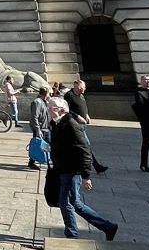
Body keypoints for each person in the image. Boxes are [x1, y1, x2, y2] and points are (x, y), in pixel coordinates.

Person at [48, 95, 118, 241]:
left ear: (60, 110)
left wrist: (86, 176)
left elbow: (85, 151)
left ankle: (72, 234)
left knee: (65, 203)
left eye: (50, 108)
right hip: (63, 168)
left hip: (71, 171)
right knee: (76, 204)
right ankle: (108, 226)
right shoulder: (57, 123)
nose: (48, 111)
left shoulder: (71, 125)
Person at [65, 80, 108, 173]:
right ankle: (94, 166)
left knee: (81, 146)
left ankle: (94, 166)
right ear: (78, 86)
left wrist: (87, 115)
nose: (85, 88)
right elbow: (66, 110)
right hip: (75, 125)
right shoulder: (69, 95)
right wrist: (77, 116)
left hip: (83, 125)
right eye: (83, 87)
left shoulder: (81, 95)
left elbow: (83, 106)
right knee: (85, 145)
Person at [27, 86, 52, 170]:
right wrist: (38, 129)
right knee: (38, 145)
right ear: (46, 94)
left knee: (47, 145)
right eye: (49, 93)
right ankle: (32, 162)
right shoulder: (37, 102)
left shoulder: (44, 101)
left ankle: (47, 161)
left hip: (46, 127)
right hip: (41, 128)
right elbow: (34, 116)